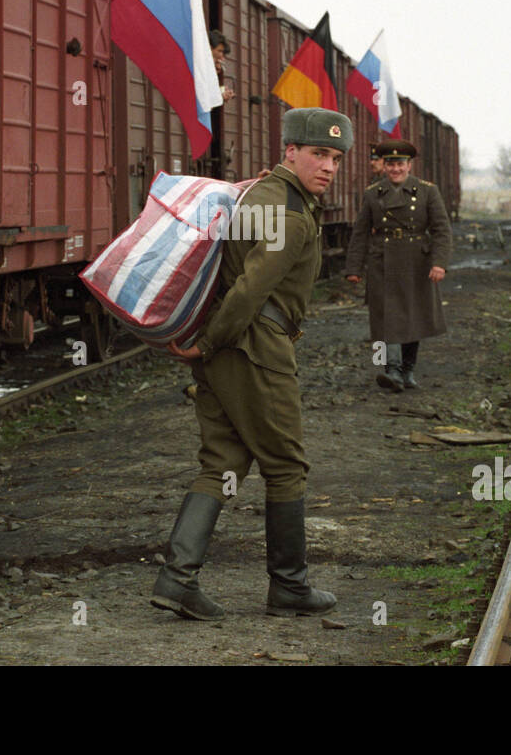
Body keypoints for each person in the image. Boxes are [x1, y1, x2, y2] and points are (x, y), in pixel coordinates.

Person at [152, 107, 353, 621]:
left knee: (220, 463)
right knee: (286, 465)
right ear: (290, 151)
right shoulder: (288, 212)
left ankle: (177, 581)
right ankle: (289, 586)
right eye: (318, 154)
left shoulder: (263, 193)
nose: (328, 166)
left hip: (226, 348)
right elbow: (251, 289)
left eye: (335, 157)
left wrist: (208, 343)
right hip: (254, 346)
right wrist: (209, 343)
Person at [344, 139, 452, 391]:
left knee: (414, 316)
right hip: (383, 262)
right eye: (390, 164)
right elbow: (360, 233)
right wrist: (354, 268)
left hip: (417, 262)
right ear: (383, 166)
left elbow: (441, 230)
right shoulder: (373, 193)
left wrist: (439, 263)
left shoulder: (427, 191)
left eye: (400, 164)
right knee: (386, 317)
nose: (395, 169)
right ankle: (391, 370)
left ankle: (408, 370)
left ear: (409, 165)